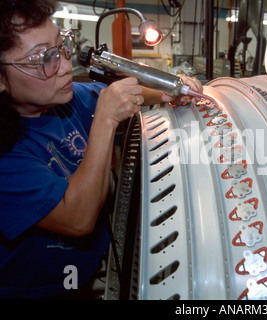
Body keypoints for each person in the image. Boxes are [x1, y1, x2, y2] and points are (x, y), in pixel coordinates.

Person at [0, 0, 203, 299]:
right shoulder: (7, 155)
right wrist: (106, 120)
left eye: (62, 46)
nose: (67, 67)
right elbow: (77, 219)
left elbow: (129, 93)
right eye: (45, 58)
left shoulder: (64, 101)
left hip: (91, 270)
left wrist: (173, 88)